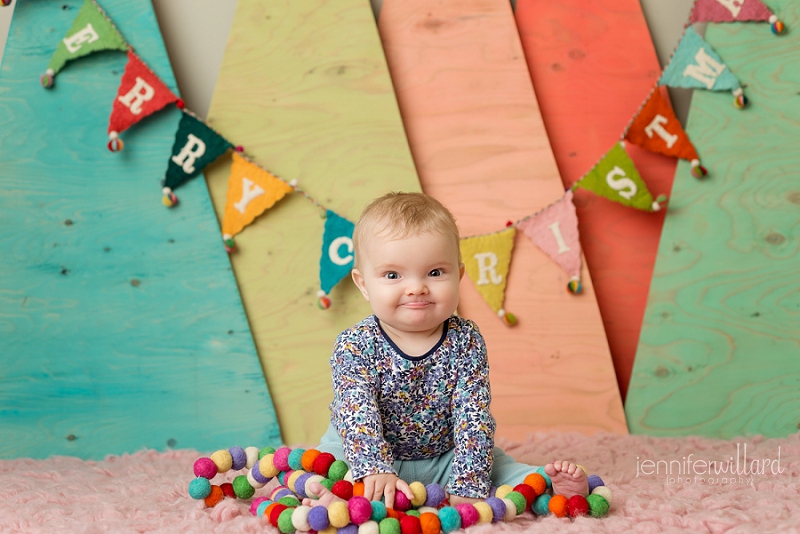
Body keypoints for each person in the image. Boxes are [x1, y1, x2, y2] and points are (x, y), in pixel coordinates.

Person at [312, 192, 588, 508]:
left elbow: (473, 415)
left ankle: (552, 485)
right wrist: (373, 467)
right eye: (393, 275)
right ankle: (330, 497)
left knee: (500, 469)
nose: (416, 287)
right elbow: (356, 410)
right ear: (363, 284)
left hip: (445, 454)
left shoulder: (465, 341)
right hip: (363, 452)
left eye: (435, 272)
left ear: (458, 275)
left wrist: (468, 482)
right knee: (324, 466)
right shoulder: (354, 345)